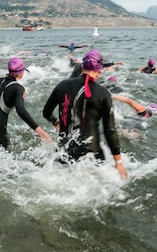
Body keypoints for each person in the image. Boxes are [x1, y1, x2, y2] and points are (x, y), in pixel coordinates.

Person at [42, 49, 128, 178]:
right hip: (91, 156)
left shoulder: (62, 85)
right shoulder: (103, 93)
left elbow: (46, 112)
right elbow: (109, 130)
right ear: (99, 70)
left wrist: (56, 122)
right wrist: (119, 163)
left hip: (65, 150)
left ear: (82, 66)